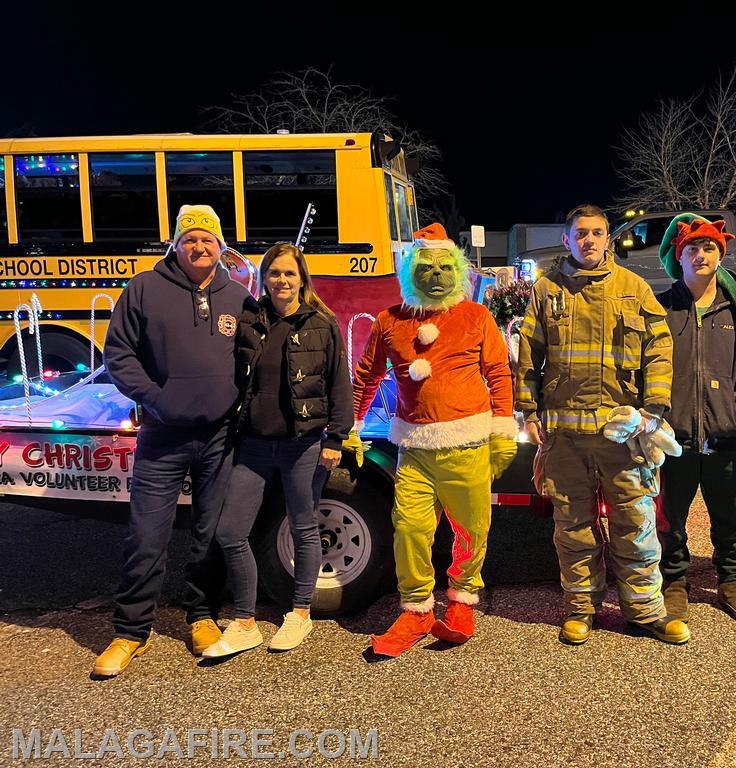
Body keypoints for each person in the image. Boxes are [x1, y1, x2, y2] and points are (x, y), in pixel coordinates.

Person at [517, 204, 688, 645]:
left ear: (607, 238)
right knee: (573, 528)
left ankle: (646, 613)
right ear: (567, 240)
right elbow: (528, 356)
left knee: (635, 523)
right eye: (581, 234)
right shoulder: (546, 290)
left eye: (597, 233)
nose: (589, 240)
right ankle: (581, 609)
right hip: (565, 436)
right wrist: (528, 410)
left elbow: (659, 349)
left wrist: (654, 408)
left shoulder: (634, 289)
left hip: (622, 435)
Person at [93, 205, 250, 677]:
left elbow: (253, 357)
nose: (199, 247)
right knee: (147, 533)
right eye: (190, 240)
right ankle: (129, 631)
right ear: (176, 245)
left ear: (221, 247)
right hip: (162, 436)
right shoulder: (144, 288)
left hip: (219, 437)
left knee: (209, 533)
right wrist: (155, 399)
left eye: (208, 240)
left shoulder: (238, 295)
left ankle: (201, 616)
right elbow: (119, 353)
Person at [351, 223, 518, 658]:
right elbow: (365, 376)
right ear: (411, 271)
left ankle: (462, 602)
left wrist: (502, 429)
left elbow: (499, 374)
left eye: (446, 266)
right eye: (428, 266)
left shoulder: (476, 317)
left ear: (458, 269)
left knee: (471, 530)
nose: (438, 274)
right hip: (416, 451)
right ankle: (417, 609)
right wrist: (349, 424)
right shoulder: (390, 321)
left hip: (469, 446)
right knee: (409, 529)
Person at [202, 243, 353, 658]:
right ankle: (246, 621)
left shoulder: (322, 323)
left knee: (304, 528)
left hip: (303, 444)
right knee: (230, 531)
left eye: (289, 273)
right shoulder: (252, 319)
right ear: (264, 278)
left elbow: (340, 382)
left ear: (302, 277)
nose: (281, 280)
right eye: (274, 273)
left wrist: (337, 438)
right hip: (252, 443)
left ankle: (299, 613)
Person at [655, 215, 736, 626]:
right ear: (680, 256)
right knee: (670, 521)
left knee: (728, 519)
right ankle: (675, 584)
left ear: (720, 254)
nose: (701, 254)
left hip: (728, 439)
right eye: (693, 248)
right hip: (674, 441)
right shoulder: (661, 308)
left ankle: (731, 584)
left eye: (709, 247)